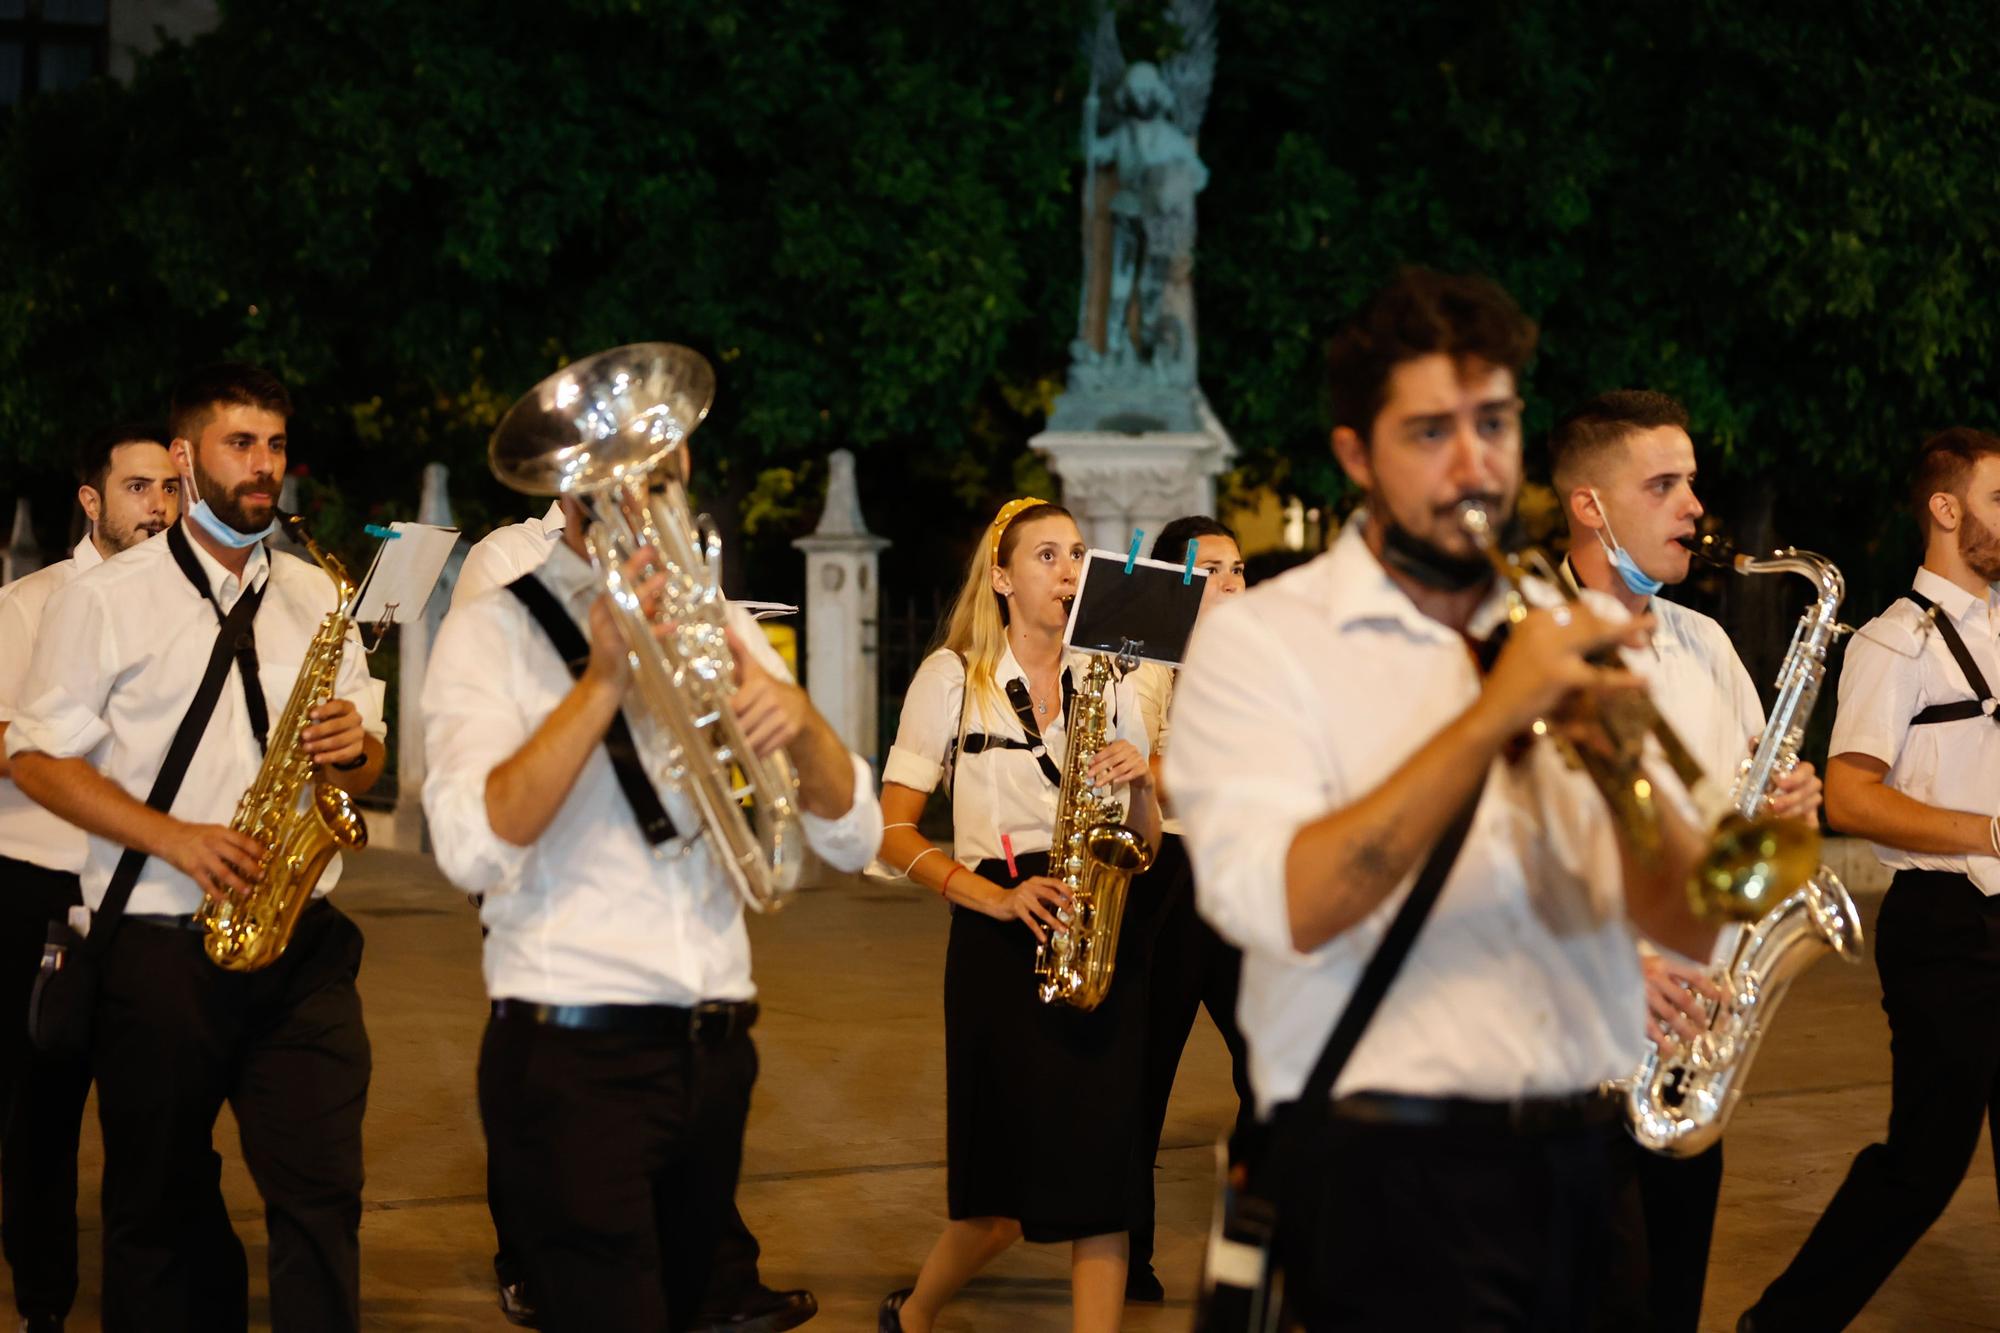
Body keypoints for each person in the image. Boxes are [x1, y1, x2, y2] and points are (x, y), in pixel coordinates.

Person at [1168, 268, 1726, 1328]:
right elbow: (1291, 905)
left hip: (1581, 1156)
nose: (1473, 459)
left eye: (1493, 422)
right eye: (1429, 430)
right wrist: (1488, 718)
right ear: (1353, 455)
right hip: (1383, 1178)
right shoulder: (1264, 644)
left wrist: (1619, 762)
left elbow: (1686, 910)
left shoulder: (1552, 636)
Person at [422, 488, 881, 1333]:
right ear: (573, 481)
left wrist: (807, 725)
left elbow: (856, 836)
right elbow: (472, 847)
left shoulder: (718, 626)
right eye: (627, 469)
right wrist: (602, 680)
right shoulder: (493, 629)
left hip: (714, 1048)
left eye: (664, 469)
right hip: (571, 1052)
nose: (648, 494)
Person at [6, 364, 386, 1331]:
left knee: (322, 1196)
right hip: (157, 948)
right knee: (158, 1212)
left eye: (274, 445)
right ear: (185, 457)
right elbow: (34, 757)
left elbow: (367, 764)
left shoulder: (317, 597)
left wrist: (357, 753)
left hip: (300, 942)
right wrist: (173, 837)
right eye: (239, 443)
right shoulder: (106, 598)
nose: (265, 467)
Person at [1549, 388, 1822, 1332]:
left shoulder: (1705, 644)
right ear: (1589, 504)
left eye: (1692, 482)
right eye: (1662, 484)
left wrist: (1790, 817)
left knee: (1671, 1302)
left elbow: (1753, 859)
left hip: (1689, 1050)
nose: (1693, 506)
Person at [875, 498, 1159, 1333]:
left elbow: (1142, 844)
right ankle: (917, 1311)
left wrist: (1141, 783)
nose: (1069, 571)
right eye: (1046, 555)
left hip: (1098, 928)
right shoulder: (950, 677)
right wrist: (995, 895)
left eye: (1076, 554)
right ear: (1001, 576)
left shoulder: (1113, 679)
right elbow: (893, 833)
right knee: (994, 1198)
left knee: (1104, 1177)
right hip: (998, 930)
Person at [1740, 427, 2000, 1331]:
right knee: (1925, 1166)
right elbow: (1849, 795)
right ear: (1946, 507)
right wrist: (1992, 832)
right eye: (1999, 498)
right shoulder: (1894, 642)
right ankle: (1780, 1324)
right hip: (1946, 928)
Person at [0, 423, 180, 1332]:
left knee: (159, 1110)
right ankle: (43, 1307)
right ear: (91, 500)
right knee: (41, 1120)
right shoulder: (29, 605)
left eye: (168, 489)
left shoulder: (190, 606)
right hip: (42, 884)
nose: (160, 506)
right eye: (140, 488)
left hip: (151, 893)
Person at [1122, 513, 1251, 1303]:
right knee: (1142, 1077)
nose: (1234, 582)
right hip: (1165, 875)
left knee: (1274, 1070)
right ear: (1178, 585)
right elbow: (1137, 771)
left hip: (1240, 875)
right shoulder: (1145, 670)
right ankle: (1127, 1250)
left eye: (1240, 568)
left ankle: (1275, 1237)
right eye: (1215, 570)